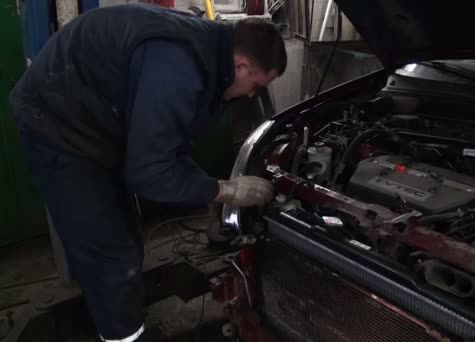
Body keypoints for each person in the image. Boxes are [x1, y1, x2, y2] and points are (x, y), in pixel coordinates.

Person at [9, 3, 286, 341]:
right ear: (241, 64)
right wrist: (224, 191)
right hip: (58, 127)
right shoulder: (180, 68)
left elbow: (167, 150)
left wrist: (210, 194)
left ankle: (114, 308)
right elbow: (150, 172)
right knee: (110, 255)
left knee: (124, 238)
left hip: (96, 121)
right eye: (256, 85)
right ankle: (122, 334)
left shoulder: (207, 51)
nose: (252, 95)